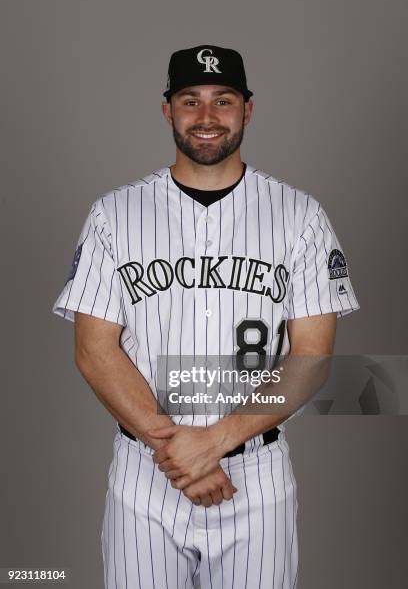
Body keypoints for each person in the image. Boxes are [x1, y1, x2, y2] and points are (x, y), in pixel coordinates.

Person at [52, 44, 360, 588]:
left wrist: (213, 443)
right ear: (167, 110)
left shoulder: (301, 216)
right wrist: (178, 452)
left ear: (248, 108)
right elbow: (94, 349)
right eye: (190, 101)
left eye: (224, 100)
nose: (207, 117)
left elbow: (312, 356)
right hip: (145, 472)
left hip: (255, 475)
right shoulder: (113, 215)